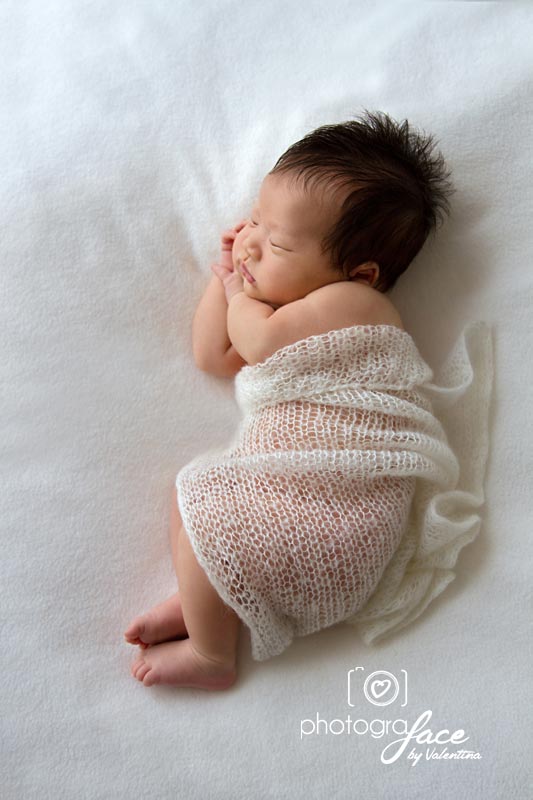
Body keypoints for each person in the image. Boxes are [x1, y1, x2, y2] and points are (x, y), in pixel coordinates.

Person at [124, 111, 453, 689]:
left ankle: (211, 654)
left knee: (206, 508)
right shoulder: (286, 318)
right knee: (193, 504)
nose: (249, 241)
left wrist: (235, 291)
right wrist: (224, 277)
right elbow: (214, 355)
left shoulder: (356, 306)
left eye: (274, 242)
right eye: (254, 219)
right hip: (288, 491)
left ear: (361, 272)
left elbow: (256, 340)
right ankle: (205, 598)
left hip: (341, 516)